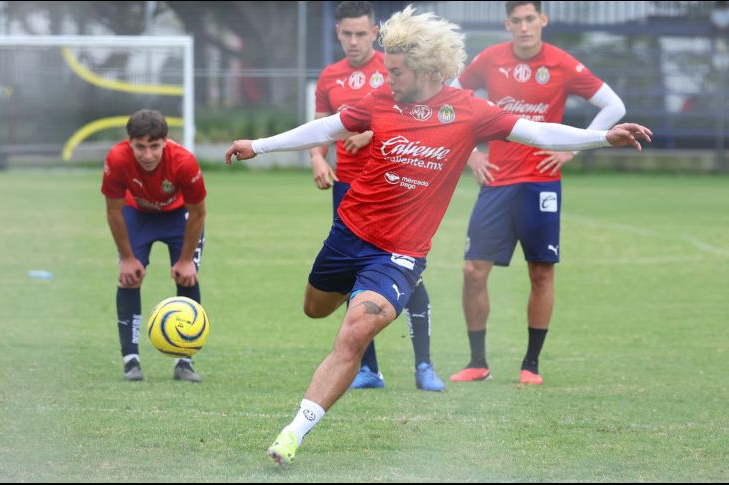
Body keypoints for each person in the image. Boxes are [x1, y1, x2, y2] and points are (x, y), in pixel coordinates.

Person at [225, 5, 650, 466]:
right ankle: (356, 294)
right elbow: (326, 127)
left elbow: (540, 132)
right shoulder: (380, 103)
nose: (387, 79)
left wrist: (602, 138)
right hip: (348, 234)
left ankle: (293, 433)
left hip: (399, 254)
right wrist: (259, 146)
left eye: (396, 71)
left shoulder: (469, 111)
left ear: (428, 71)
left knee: (355, 332)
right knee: (315, 309)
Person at [448, 0, 627, 386]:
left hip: (540, 183)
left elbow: (614, 106)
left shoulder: (562, 63)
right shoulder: (489, 60)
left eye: (531, 19)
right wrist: (470, 152)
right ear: (507, 24)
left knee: (541, 273)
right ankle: (477, 362)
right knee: (472, 271)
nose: (525, 27)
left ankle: (531, 364)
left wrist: (573, 149)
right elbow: (451, 102)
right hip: (496, 181)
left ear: (543, 20)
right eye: (517, 20)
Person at [311, 1, 444, 392]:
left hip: (396, 190)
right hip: (348, 189)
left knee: (409, 278)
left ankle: (424, 365)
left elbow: (417, 118)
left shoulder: (396, 70)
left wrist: (371, 133)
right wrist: (317, 159)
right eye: (347, 34)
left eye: (361, 33)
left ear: (375, 33)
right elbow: (321, 128)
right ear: (338, 33)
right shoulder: (329, 77)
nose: (354, 41)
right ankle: (368, 369)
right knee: (356, 277)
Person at [101, 109, 207, 382]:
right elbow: (113, 211)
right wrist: (126, 257)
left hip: (178, 217)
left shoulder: (184, 162)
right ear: (129, 142)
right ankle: (130, 360)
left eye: (154, 147)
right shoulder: (116, 158)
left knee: (187, 276)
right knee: (129, 277)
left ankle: (185, 361)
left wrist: (185, 261)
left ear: (166, 141)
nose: (147, 155)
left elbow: (198, 213)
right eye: (140, 147)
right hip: (138, 215)